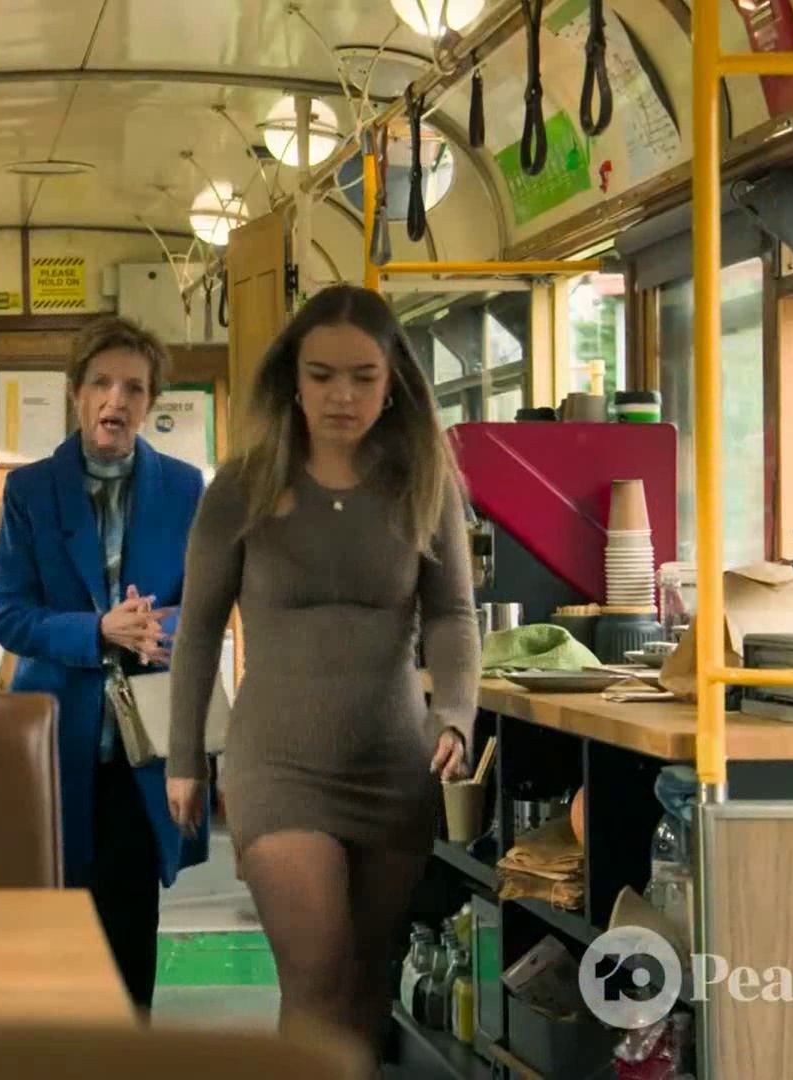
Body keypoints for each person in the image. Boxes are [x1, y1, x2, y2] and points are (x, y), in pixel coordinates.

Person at [164, 285, 479, 1050]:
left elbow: (451, 614)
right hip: (278, 766)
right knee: (317, 976)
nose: (342, 395)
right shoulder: (241, 488)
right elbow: (198, 631)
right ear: (294, 381)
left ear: (392, 382)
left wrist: (455, 715)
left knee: (366, 987)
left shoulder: (423, 481)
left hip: (392, 763)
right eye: (322, 375)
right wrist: (184, 760)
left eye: (363, 377)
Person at [0, 316, 210, 1013]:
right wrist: (99, 630)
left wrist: (156, 627)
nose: (117, 400)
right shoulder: (30, 491)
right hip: (58, 746)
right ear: (76, 394)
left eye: (134, 388)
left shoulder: (184, 488)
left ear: (151, 402)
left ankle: (129, 1051)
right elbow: (9, 615)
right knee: (57, 926)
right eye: (102, 384)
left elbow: (204, 605)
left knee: (132, 926)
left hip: (146, 748)